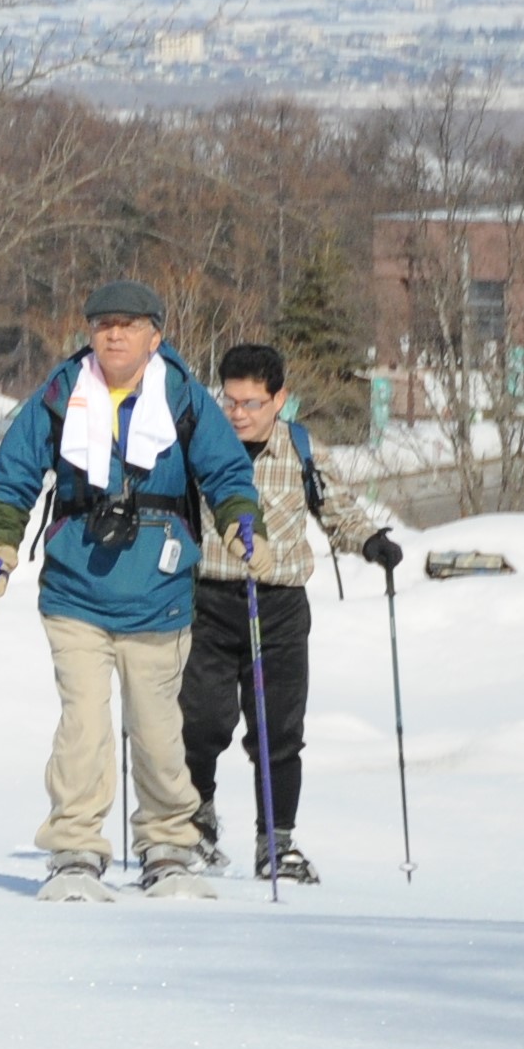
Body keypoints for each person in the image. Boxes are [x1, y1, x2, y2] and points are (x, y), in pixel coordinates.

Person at [0, 279, 261, 903]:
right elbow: (15, 476)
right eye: (104, 325)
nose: (115, 334)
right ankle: (75, 850)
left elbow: (225, 469)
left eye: (129, 324)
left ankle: (167, 847)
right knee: (83, 727)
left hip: (158, 593)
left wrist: (240, 520)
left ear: (155, 334)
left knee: (158, 730)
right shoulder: (59, 395)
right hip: (75, 591)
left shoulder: (182, 396)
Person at [184, 341, 401, 883]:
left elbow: (335, 507)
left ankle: (277, 842)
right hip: (207, 600)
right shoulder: (200, 447)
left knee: (277, 730)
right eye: (229, 400)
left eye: (252, 403)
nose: (238, 413)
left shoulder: (301, 449)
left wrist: (371, 541)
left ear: (279, 399)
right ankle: (196, 819)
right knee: (203, 720)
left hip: (278, 606)